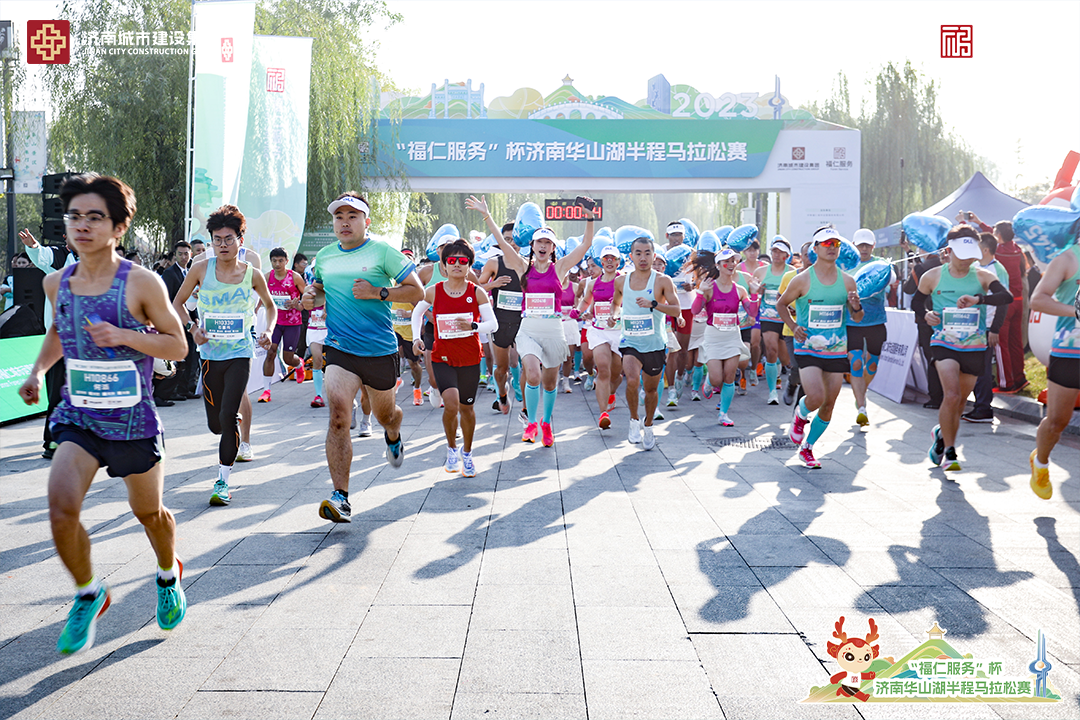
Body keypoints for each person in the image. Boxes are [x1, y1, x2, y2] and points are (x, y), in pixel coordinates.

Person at [17, 173, 189, 653]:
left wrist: (125, 336)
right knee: (60, 508)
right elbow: (60, 331)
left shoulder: (141, 282)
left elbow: (177, 344)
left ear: (118, 227)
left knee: (148, 513)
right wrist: (37, 373)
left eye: (95, 217)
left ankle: (167, 573)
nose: (82, 225)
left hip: (132, 420)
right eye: (75, 216)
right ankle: (89, 593)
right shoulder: (57, 282)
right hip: (79, 416)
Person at [302, 193, 423, 523]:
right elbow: (320, 289)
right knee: (339, 417)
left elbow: (416, 291)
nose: (345, 222)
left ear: (366, 222)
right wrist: (311, 296)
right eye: (339, 216)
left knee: (386, 415)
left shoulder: (383, 252)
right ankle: (340, 497)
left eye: (352, 216)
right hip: (340, 349)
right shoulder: (325, 256)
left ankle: (393, 434)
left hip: (379, 350)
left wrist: (377, 292)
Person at [466, 195, 593, 447]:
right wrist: (486, 215)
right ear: (532, 246)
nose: (543, 246)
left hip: (553, 329)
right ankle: (531, 422)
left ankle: (546, 423)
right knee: (533, 375)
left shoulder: (560, 268)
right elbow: (502, 242)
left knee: (549, 382)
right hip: (528, 329)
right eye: (539, 242)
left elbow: (586, 244)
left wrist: (589, 217)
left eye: (548, 242)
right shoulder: (523, 267)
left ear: (553, 247)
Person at [172, 205, 277, 504]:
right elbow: (177, 304)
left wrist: (268, 331)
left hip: (240, 352)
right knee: (216, 424)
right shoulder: (200, 269)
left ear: (240, 240)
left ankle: (222, 482)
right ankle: (228, 424)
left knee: (228, 416)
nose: (223, 245)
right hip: (210, 355)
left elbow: (271, 306)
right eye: (217, 240)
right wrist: (193, 328)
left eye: (229, 239)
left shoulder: (252, 274)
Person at [913, 226, 1012, 471]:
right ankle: (950, 452)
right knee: (952, 395)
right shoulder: (932, 276)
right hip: (944, 342)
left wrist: (980, 299)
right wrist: (926, 315)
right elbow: (917, 302)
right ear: (949, 251)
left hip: (974, 345)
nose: (967, 260)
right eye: (962, 254)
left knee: (959, 404)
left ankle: (941, 434)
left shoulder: (982, 276)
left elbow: (1006, 297)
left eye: (971, 255)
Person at [777, 226, 865, 469]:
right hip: (808, 347)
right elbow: (781, 304)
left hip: (836, 350)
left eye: (835, 244)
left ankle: (808, 448)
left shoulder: (848, 281)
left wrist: (856, 306)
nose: (831, 248)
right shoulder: (802, 280)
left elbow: (857, 318)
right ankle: (800, 415)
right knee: (816, 396)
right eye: (826, 244)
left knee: (829, 404)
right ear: (815, 249)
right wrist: (793, 326)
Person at [411, 239, 498, 477]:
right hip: (443, 356)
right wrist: (415, 339)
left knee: (467, 409)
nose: (457, 264)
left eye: (463, 261)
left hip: (470, 358)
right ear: (444, 265)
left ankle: (467, 453)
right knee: (450, 404)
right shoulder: (434, 291)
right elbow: (417, 313)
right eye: (452, 260)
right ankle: (451, 449)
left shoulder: (476, 292)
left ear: (469, 265)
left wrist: (473, 326)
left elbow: (493, 324)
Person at [610, 236, 681, 450]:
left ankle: (648, 425)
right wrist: (614, 315)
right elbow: (616, 303)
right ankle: (633, 421)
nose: (643, 258)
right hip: (630, 340)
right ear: (630, 256)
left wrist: (654, 304)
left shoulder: (662, 281)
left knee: (650, 390)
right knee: (632, 380)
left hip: (655, 343)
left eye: (647, 253)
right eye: (638, 253)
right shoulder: (621, 281)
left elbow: (676, 310)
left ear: (654, 256)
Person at [1027, 239, 1080, 499]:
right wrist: (1077, 311)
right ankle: (1041, 463)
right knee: (1058, 421)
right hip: (1071, 351)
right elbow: (1037, 300)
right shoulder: (1067, 258)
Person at [692, 247, 756, 426]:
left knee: (729, 378)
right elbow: (695, 310)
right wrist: (700, 292)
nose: (731, 264)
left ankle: (723, 414)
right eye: (726, 262)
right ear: (718, 265)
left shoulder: (740, 289)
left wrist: (754, 293)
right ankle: (708, 382)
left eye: (733, 261)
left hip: (732, 336)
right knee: (716, 379)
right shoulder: (709, 287)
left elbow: (752, 312)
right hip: (713, 337)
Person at [846, 229, 896, 426]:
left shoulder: (882, 265)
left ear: (873, 246)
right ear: (854, 245)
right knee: (856, 363)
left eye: (867, 245)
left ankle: (861, 391)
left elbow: (891, 281)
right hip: (852, 322)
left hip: (876, 321)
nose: (864, 249)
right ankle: (861, 407)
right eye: (860, 245)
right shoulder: (846, 265)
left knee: (872, 365)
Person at [964, 232, 1011, 423]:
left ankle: (983, 408)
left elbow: (1004, 301)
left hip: (987, 327)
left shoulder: (998, 270)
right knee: (974, 367)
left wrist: (995, 329)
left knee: (983, 368)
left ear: (984, 249)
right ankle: (979, 405)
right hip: (972, 325)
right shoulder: (975, 267)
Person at [578, 244, 624, 430]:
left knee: (616, 374)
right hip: (599, 331)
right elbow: (587, 302)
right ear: (601, 262)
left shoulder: (625, 281)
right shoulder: (592, 283)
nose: (609, 261)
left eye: (613, 258)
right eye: (606, 259)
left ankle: (611, 392)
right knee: (603, 369)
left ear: (618, 262)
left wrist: (618, 315)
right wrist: (582, 312)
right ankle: (603, 413)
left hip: (619, 331)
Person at [258, 247, 307, 401]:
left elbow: (306, 300)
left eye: (280, 261)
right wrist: (256, 309)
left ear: (287, 261)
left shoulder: (295, 277)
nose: (277, 264)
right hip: (275, 322)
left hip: (293, 322)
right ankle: (266, 391)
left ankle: (299, 364)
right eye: (274, 261)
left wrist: (297, 304)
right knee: (271, 352)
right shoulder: (267, 277)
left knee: (288, 359)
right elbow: (261, 295)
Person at [753, 236, 795, 405]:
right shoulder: (761, 271)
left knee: (787, 360)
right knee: (771, 350)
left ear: (787, 255)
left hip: (786, 318)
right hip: (767, 316)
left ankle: (791, 383)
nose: (776, 254)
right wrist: (758, 291)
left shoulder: (793, 273)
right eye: (774, 251)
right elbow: (752, 292)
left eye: (780, 252)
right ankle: (772, 392)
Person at [663, 222, 695, 407]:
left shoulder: (691, 254)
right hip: (666, 306)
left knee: (683, 349)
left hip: (686, 305)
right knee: (671, 348)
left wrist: (694, 285)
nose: (676, 238)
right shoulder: (661, 252)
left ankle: (680, 375)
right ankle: (671, 388)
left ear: (684, 237)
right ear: (667, 236)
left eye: (679, 235)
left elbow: (701, 277)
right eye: (673, 235)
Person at [736, 240, 766, 391]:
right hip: (745, 309)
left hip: (761, 308)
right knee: (743, 345)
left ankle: (753, 368)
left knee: (755, 343)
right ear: (744, 252)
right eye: (749, 250)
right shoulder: (738, 268)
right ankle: (741, 374)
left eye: (755, 250)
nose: (752, 253)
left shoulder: (764, 267)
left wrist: (762, 290)